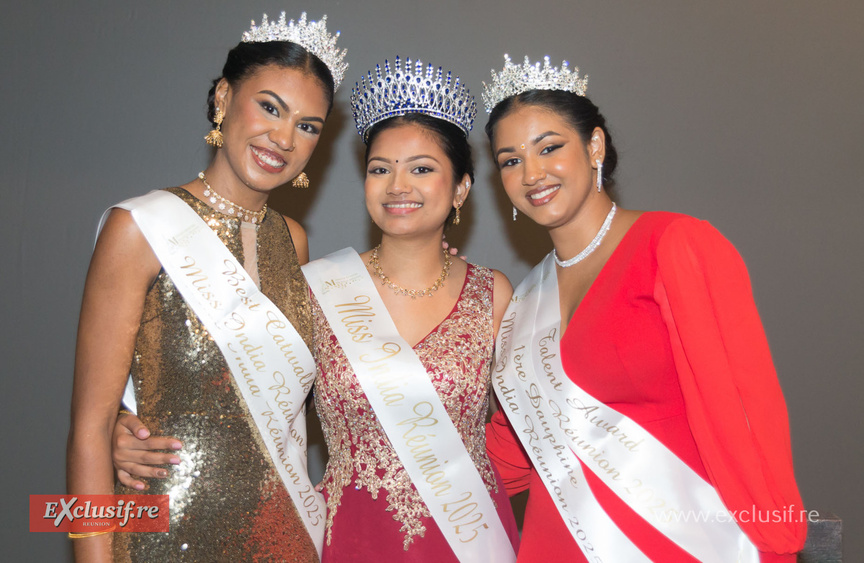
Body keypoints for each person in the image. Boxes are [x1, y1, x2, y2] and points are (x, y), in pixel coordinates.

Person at [112, 56, 520, 563]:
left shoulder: (494, 294)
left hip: (470, 534)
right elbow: (243, 394)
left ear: (460, 188)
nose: (398, 186)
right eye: (380, 169)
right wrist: (127, 425)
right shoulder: (316, 287)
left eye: (421, 169)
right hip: (350, 535)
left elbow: (538, 420)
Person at [481, 55, 807, 562]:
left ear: (594, 146)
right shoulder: (527, 300)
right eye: (510, 160)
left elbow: (744, 416)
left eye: (549, 148)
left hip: (678, 542)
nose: (532, 173)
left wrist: (776, 545)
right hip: (556, 545)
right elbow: (509, 454)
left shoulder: (674, 245)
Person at [66, 13, 347, 562]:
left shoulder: (295, 241)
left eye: (308, 126)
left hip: (282, 538)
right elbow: (88, 429)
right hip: (162, 540)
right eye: (270, 107)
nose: (283, 138)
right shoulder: (140, 228)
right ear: (224, 97)